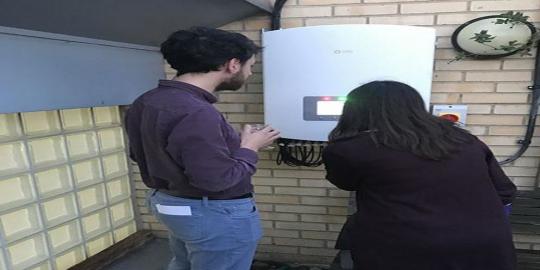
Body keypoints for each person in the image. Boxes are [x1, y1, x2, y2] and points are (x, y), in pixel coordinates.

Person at [125, 27, 280, 270]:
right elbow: (216, 180)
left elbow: (142, 154)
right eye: (251, 66)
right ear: (233, 65)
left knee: (184, 263)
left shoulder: (145, 101)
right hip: (212, 212)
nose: (250, 74)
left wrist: (230, 146)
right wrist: (250, 147)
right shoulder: (197, 111)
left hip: (169, 204)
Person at [322, 81, 517, 270]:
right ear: (415, 107)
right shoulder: (464, 139)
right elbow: (505, 191)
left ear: (354, 111)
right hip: (485, 248)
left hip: (404, 249)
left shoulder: (349, 149)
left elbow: (346, 182)